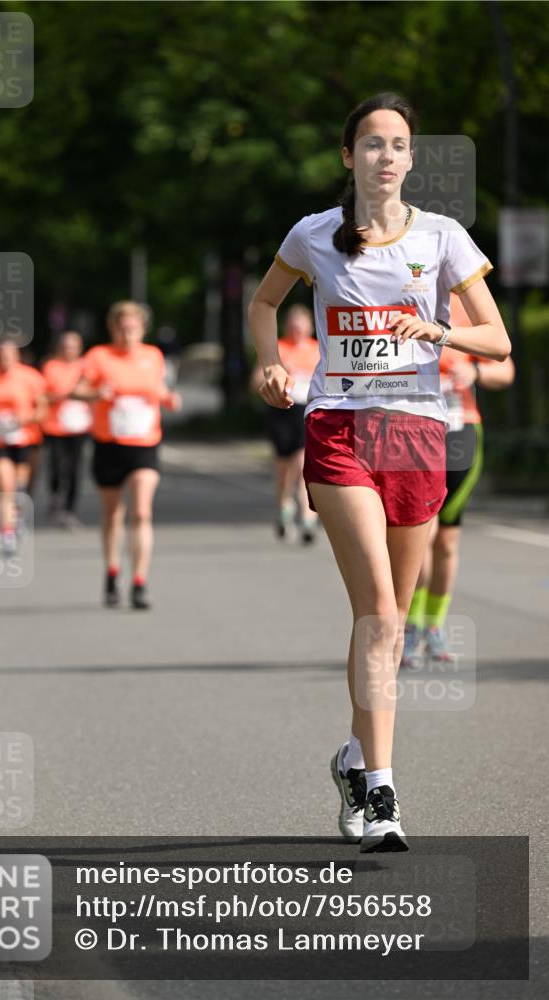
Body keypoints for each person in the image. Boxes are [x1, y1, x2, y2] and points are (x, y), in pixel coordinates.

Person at [248, 92, 510, 851]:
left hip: (418, 434)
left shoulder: (442, 236)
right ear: (347, 157)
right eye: (370, 144)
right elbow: (264, 302)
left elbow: (494, 339)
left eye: (397, 144)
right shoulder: (312, 236)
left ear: (410, 158)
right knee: (381, 616)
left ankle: (354, 760)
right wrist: (269, 362)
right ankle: (385, 793)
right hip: (339, 430)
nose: (384, 156)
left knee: (387, 627)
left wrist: (439, 328)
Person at [402, 293, 515, 666]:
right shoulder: (403, 295)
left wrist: (476, 372)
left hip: (460, 433)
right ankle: (411, 627)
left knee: (447, 540)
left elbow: (505, 367)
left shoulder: (467, 305)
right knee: (423, 533)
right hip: (413, 431)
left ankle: (433, 627)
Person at [73, 301, 181, 610]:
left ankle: (139, 581)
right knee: (113, 514)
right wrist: (96, 394)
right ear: (113, 328)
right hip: (109, 444)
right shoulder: (99, 356)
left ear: (142, 329)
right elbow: (77, 390)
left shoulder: (153, 356)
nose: (128, 332)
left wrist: (169, 398)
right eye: (122, 327)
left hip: (145, 444)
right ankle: (111, 572)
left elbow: (158, 388)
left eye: (133, 327)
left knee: (142, 513)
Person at [251, 304, 321, 542]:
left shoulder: (318, 349)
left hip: (307, 412)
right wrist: (276, 375)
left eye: (301, 327)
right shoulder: (279, 348)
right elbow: (255, 381)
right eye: (293, 326)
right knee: (283, 467)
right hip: (281, 412)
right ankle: (284, 507)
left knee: (303, 466)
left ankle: (308, 519)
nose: (297, 331)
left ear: (310, 327)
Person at [0, 340, 47, 555]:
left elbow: (42, 408)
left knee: (20, 488)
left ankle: (18, 514)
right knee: (6, 486)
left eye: (9, 356)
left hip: (25, 438)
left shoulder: (30, 377)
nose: (4, 360)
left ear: (17, 356)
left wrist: (28, 418)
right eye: (1, 356)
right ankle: (7, 533)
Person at [41, 331, 91, 527]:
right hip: (55, 425)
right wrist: (65, 395)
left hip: (79, 425)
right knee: (55, 465)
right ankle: (55, 495)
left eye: (73, 346)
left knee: (75, 467)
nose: (69, 350)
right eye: (66, 346)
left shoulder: (86, 367)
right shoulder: (50, 367)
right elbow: (43, 395)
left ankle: (70, 508)